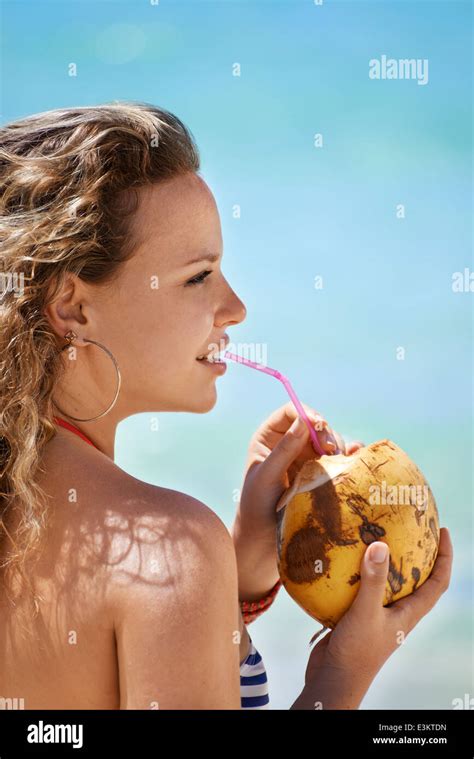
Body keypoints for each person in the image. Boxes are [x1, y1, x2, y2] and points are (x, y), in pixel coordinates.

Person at [0, 102, 453, 710]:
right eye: (199, 276)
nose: (236, 306)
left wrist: (239, 574)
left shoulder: (38, 511)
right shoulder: (168, 549)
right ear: (72, 308)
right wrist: (340, 676)